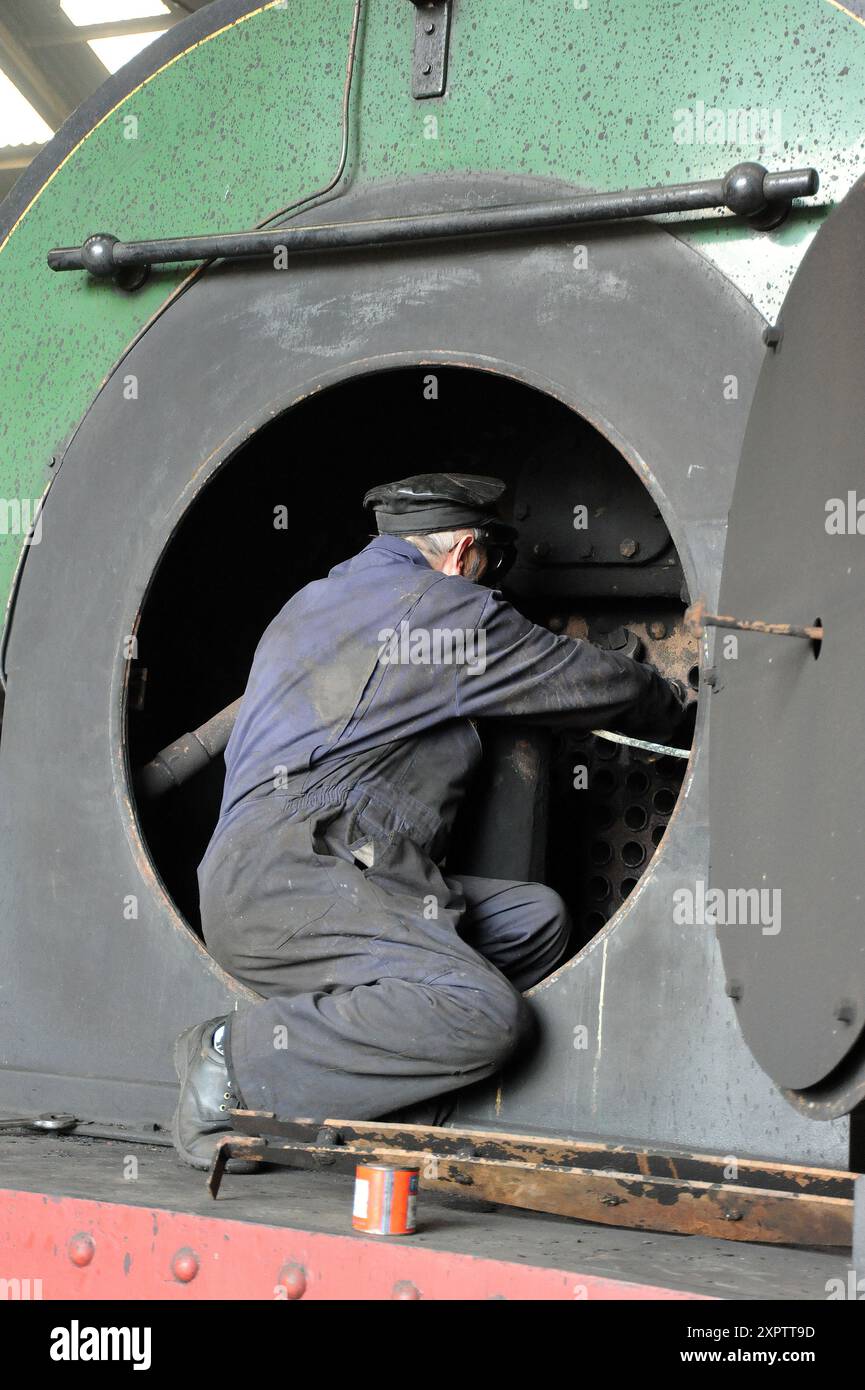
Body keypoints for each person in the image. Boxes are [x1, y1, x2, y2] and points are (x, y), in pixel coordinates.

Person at [172, 473, 688, 1169]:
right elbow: (594, 682)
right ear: (464, 552)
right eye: (488, 569)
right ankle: (228, 1064)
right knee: (484, 1015)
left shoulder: (312, 604)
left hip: (282, 875)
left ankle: (377, 1091)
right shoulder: (446, 611)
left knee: (532, 918)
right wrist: (677, 696)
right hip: (299, 878)